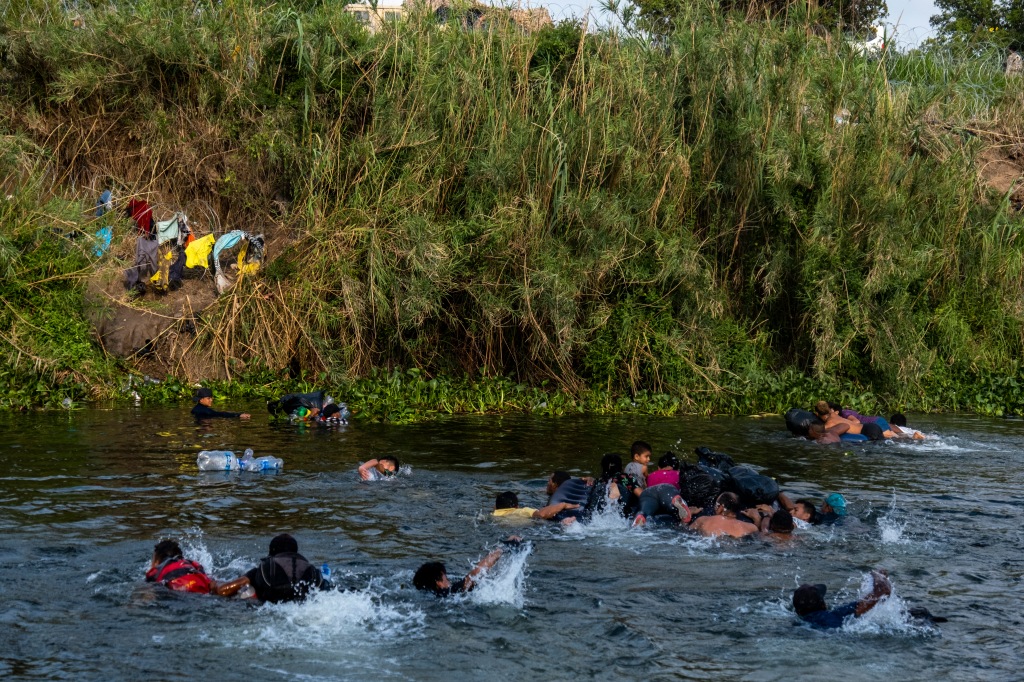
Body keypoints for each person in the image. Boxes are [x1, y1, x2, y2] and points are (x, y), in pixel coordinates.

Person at [214, 534, 329, 603]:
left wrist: (213, 583)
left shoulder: (264, 568)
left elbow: (223, 590)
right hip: (303, 610)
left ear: (270, 553)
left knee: (247, 591)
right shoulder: (313, 571)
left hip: (269, 609)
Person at [413, 536, 522, 597]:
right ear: (439, 582)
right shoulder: (451, 591)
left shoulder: (431, 596)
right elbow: (475, 574)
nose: (449, 580)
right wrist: (503, 548)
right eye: (445, 577)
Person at [793, 569, 892, 629]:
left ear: (797, 611)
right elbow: (883, 591)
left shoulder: (799, 624)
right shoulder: (837, 615)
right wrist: (877, 575)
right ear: (824, 605)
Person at [145, 540, 214, 594]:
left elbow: (149, 586)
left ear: (157, 562)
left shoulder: (158, 568)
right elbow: (206, 578)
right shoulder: (190, 563)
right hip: (199, 584)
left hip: (177, 588)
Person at [688, 492, 759, 538]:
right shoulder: (751, 527)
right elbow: (760, 537)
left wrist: (688, 515)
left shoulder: (703, 520)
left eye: (716, 505)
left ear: (721, 507)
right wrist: (757, 519)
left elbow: (684, 532)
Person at [492, 491, 580, 521]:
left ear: (496, 507)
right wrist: (563, 504)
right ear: (516, 506)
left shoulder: (494, 515)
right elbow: (542, 514)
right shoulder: (521, 511)